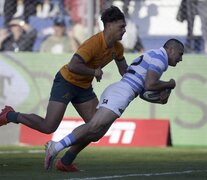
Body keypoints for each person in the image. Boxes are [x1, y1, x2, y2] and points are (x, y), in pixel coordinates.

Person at [0, 6, 128, 172]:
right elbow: (74, 65)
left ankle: (66, 161)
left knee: (97, 128)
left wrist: (141, 83)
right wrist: (93, 71)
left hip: (83, 87)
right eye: (121, 26)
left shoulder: (117, 48)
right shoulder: (94, 43)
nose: (124, 30)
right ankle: (10, 115)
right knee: (48, 127)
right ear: (109, 25)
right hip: (66, 81)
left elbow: (125, 71)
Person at [44, 38, 184, 170]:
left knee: (96, 133)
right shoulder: (161, 59)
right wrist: (170, 84)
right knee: (94, 125)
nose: (181, 58)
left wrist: (160, 99)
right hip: (121, 93)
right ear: (171, 49)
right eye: (180, 54)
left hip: (121, 91)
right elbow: (151, 84)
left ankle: (65, 162)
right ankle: (55, 147)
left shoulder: (155, 55)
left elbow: (143, 92)